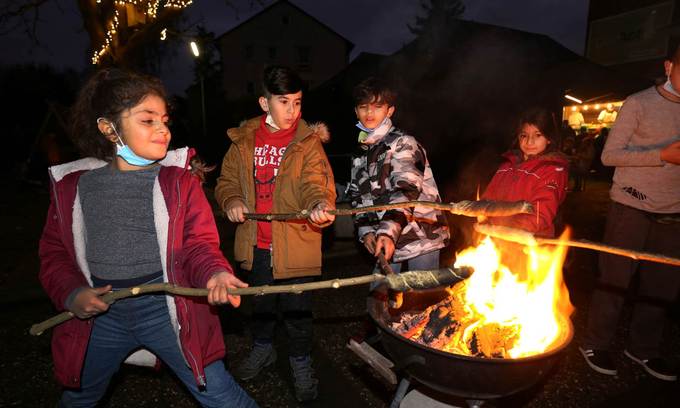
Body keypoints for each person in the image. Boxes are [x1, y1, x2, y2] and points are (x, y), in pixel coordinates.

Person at [38, 68, 257, 407]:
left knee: (221, 394)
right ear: (109, 129)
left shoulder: (179, 184)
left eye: (165, 120)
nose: (163, 130)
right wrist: (71, 292)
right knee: (77, 398)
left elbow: (197, 245)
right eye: (147, 120)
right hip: (101, 315)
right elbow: (54, 253)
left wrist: (214, 272)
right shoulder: (75, 188)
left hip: (166, 310)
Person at [214, 65, 336, 402]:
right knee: (261, 306)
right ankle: (263, 349)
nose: (293, 111)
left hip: (296, 246)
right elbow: (225, 182)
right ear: (264, 103)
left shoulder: (308, 142)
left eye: (298, 102)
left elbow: (318, 182)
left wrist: (317, 204)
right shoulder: (242, 142)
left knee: (298, 312)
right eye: (284, 102)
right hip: (257, 247)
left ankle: (300, 362)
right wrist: (233, 198)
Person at [579, 41, 680, 382]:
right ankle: (595, 343)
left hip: (674, 214)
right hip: (631, 206)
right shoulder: (639, 103)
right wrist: (661, 155)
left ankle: (644, 348)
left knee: (662, 286)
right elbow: (609, 156)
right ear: (669, 67)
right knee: (615, 280)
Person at [346, 77, 449, 287]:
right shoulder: (360, 153)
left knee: (422, 300)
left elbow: (407, 188)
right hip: (385, 237)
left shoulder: (403, 143)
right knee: (380, 296)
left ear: (389, 111)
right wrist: (366, 231)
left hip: (421, 236)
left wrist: (387, 230)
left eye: (377, 106)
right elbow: (359, 196)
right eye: (363, 107)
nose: (369, 113)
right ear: (356, 112)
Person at [481, 107, 569, 238]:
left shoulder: (553, 170)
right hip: (499, 239)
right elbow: (487, 200)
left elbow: (540, 215)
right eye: (524, 135)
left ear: (549, 138)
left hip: (531, 244)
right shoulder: (506, 166)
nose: (529, 141)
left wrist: (506, 226)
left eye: (538, 135)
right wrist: (481, 215)